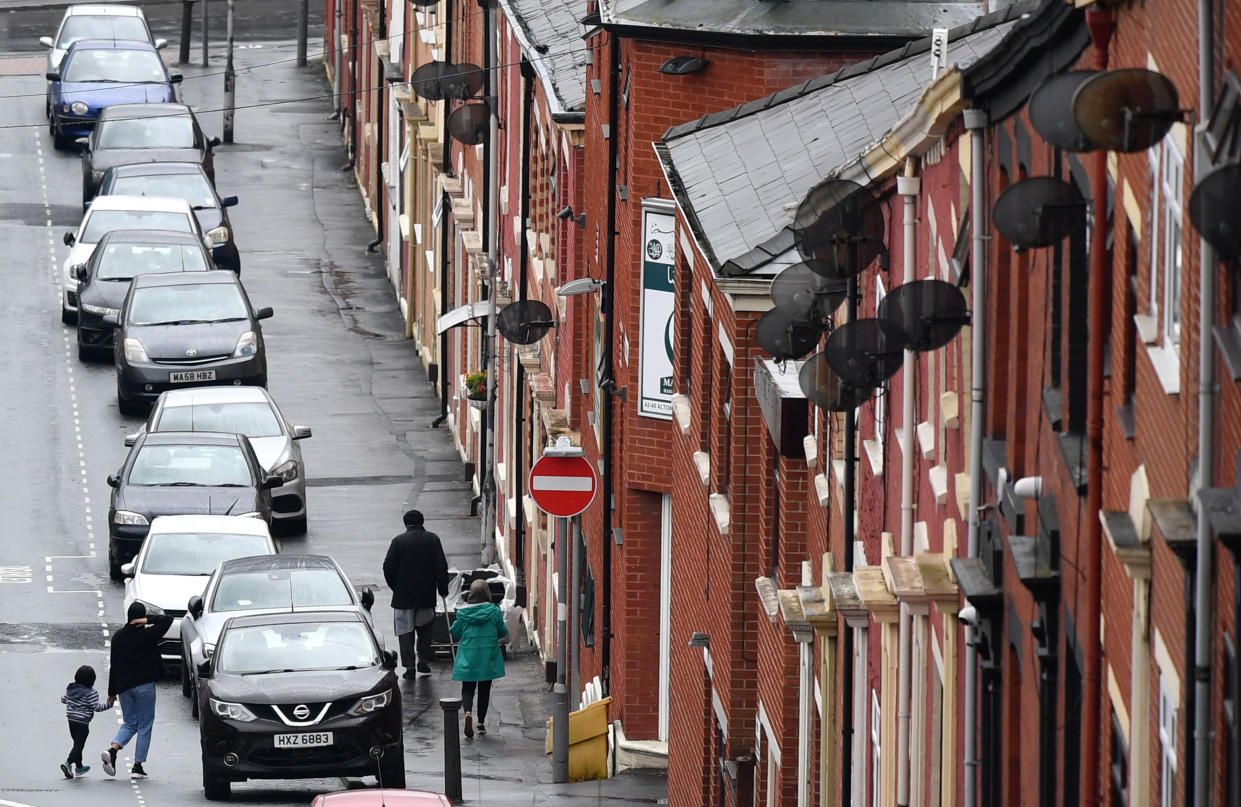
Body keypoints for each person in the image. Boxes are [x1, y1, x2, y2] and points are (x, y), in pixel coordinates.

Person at [101, 602, 172, 780]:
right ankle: (137, 766)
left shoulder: (118, 637)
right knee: (145, 725)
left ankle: (113, 750)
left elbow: (114, 667)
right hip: (144, 687)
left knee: (130, 722)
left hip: (124, 688)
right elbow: (167, 620)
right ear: (141, 617)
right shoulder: (148, 635)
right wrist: (148, 619)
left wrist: (112, 692)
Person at [382, 509, 449, 678]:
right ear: (422, 522)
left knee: (405, 632)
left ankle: (409, 667)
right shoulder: (433, 539)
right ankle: (423, 662)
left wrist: (395, 586)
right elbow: (441, 566)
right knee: (425, 630)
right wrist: (443, 588)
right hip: (426, 595)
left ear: (405, 524)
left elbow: (388, 567)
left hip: (403, 597)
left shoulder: (398, 541)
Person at [450, 579, 508, 738]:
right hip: (487, 656)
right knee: (484, 688)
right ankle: (481, 722)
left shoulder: (463, 613)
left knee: (468, 688)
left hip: (468, 656)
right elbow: (503, 631)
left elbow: (454, 632)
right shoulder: (494, 611)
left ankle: (468, 712)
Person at [59, 665, 112, 779]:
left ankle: (79, 767)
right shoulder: (91, 693)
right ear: (92, 680)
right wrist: (109, 704)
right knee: (79, 744)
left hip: (71, 720)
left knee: (77, 744)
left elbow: (63, 699)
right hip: (83, 723)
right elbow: (97, 708)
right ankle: (67, 763)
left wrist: (72, 702)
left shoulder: (71, 688)